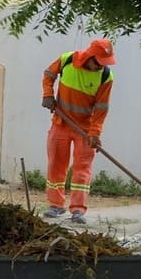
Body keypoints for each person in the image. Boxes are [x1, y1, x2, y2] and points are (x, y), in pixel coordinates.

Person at [41, 38, 116, 224]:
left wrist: (95, 133)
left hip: (85, 128)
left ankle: (77, 210)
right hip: (61, 123)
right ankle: (56, 205)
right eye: (98, 62)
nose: (101, 66)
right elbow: (49, 75)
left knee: (82, 170)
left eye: (104, 63)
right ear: (90, 56)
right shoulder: (67, 60)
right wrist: (48, 95)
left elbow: (101, 108)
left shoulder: (106, 76)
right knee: (56, 165)